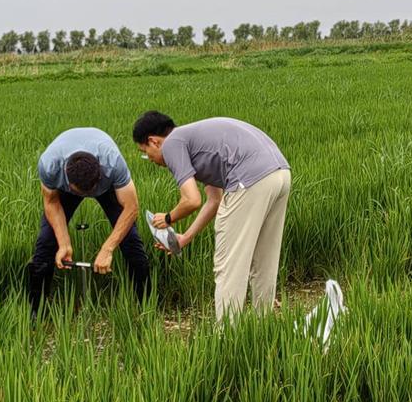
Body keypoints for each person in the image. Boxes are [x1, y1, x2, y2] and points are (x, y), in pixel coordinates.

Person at [133, 111, 290, 321]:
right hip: (280, 174)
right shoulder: (195, 142)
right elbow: (214, 200)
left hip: (249, 178)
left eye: (145, 152)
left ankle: (226, 334)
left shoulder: (172, 144)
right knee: (264, 260)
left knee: (228, 264)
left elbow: (191, 200)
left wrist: (168, 218)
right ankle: (263, 324)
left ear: (154, 141)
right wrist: (185, 237)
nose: (150, 159)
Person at [26, 127, 150, 313]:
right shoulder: (50, 165)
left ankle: (146, 307)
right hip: (68, 187)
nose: (88, 196)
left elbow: (131, 208)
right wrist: (64, 243)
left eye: (90, 191)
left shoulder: (112, 163)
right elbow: (51, 202)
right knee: (46, 244)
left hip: (106, 187)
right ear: (68, 181)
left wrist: (107, 249)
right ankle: (36, 314)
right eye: (82, 193)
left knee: (131, 242)